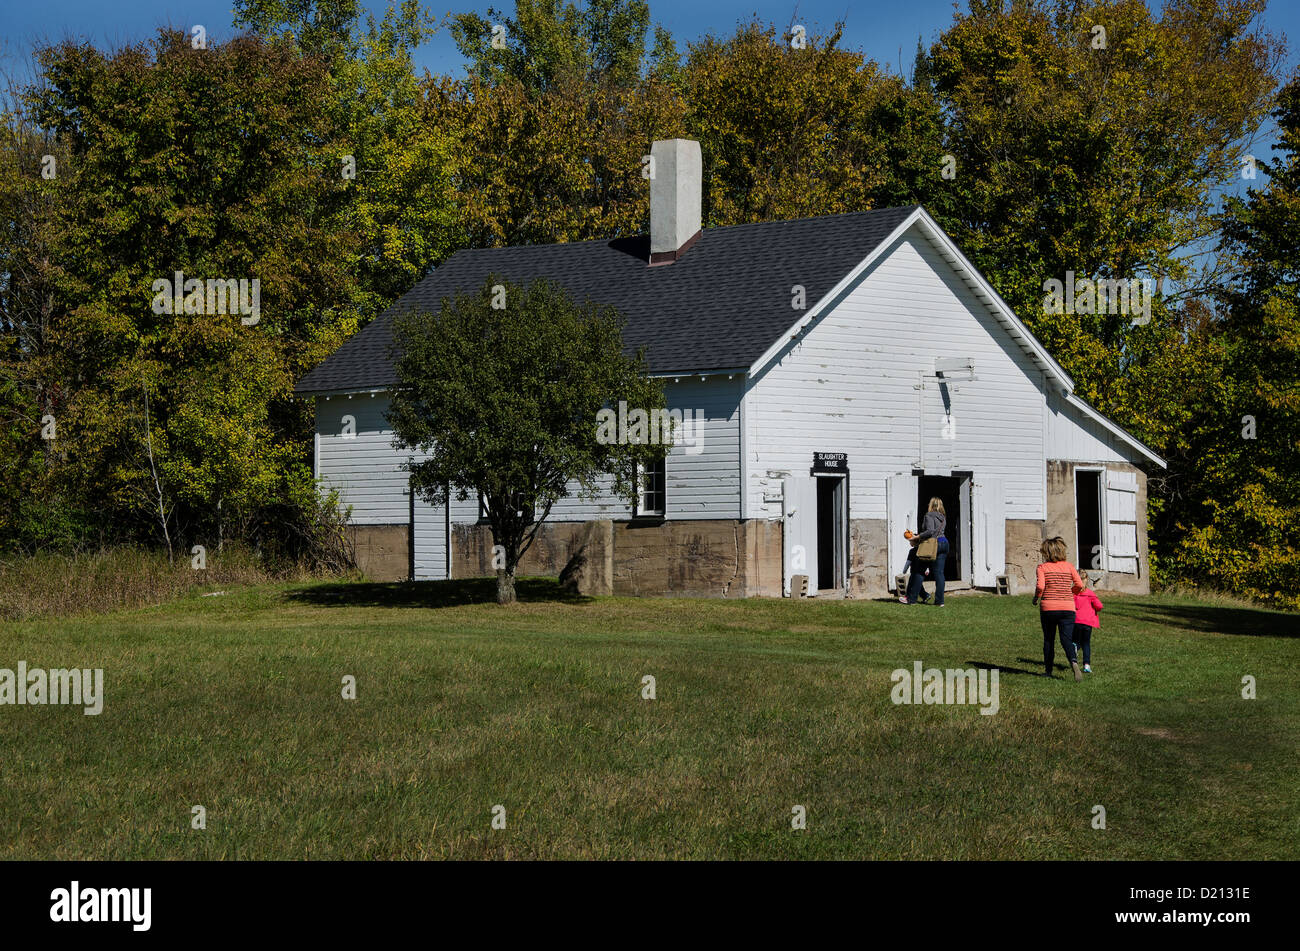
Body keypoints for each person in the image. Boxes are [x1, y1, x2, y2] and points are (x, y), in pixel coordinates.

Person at [1032, 536, 1084, 680]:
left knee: (1049, 640)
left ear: (1046, 553)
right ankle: (1073, 662)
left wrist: (1036, 597)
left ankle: (1048, 671)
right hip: (1068, 608)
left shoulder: (1042, 568)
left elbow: (1040, 586)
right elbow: (1079, 585)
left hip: (1048, 608)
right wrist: (1070, 592)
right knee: (1066, 639)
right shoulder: (1069, 566)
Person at [898, 498, 949, 606]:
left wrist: (917, 536)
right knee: (939, 573)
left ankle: (911, 599)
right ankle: (940, 601)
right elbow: (936, 531)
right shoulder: (942, 517)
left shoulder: (929, 515)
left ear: (931, 505)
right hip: (944, 543)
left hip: (933, 545)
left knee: (918, 571)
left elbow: (930, 531)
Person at [1073, 574, 1103, 674]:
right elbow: (1099, 606)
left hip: (1076, 621)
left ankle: (1075, 649)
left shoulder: (1072, 593)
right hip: (1087, 623)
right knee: (1086, 643)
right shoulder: (1090, 594)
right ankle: (1087, 665)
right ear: (1086, 580)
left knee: (1076, 640)